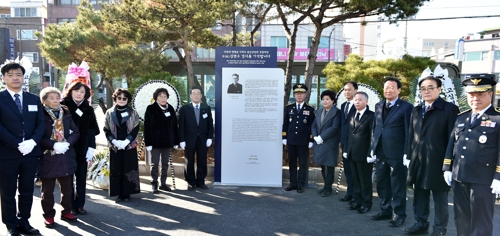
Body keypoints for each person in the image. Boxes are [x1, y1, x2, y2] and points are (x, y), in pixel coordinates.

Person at [442, 74, 500, 236]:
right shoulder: (462, 117)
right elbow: (451, 144)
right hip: (460, 177)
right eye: (471, 95)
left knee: (481, 221)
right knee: (461, 219)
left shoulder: (497, 118)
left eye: (480, 94)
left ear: (490, 94)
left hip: (483, 180)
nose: (475, 98)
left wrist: (498, 176)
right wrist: (447, 167)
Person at [405, 76, 458, 236]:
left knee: (440, 198)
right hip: (418, 160)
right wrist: (408, 156)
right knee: (419, 195)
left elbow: (453, 138)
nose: (426, 91)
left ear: (439, 89)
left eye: (430, 87)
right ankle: (421, 223)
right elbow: (411, 135)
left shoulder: (449, 109)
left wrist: (449, 164)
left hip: (439, 161)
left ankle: (439, 229)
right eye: (423, 88)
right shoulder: (416, 109)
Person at [0, 62, 45, 236]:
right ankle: (11, 224)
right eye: (10, 75)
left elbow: (41, 123)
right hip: (7, 152)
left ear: (23, 77)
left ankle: (24, 221)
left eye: (18, 74)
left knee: (27, 189)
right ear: (4, 78)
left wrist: (33, 142)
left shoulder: (33, 99)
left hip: (30, 153)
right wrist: (17, 143)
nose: (15, 77)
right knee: (8, 190)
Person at [370, 77, 412, 227]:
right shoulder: (378, 105)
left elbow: (409, 131)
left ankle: (399, 214)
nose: (388, 90)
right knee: (382, 183)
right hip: (380, 152)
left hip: (398, 153)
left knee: (398, 185)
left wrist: (407, 152)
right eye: (386, 87)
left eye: (392, 87)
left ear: (399, 90)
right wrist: (372, 148)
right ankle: (385, 209)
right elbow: (376, 128)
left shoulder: (406, 107)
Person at [39, 87, 81, 227]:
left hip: (65, 155)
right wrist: (53, 145)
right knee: (48, 190)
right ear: (44, 100)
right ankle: (49, 215)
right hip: (48, 156)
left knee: (68, 187)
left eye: (57, 98)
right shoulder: (40, 115)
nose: (55, 101)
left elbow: (75, 131)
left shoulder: (66, 113)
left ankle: (67, 211)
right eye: (51, 98)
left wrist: (67, 143)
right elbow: (37, 136)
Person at [61, 82, 100, 216]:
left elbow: (92, 129)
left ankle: (80, 205)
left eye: (82, 92)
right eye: (76, 90)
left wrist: (91, 147)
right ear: (71, 91)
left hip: (83, 149)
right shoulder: (63, 106)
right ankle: (70, 205)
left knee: (82, 179)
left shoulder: (88, 109)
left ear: (86, 94)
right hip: (66, 148)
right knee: (68, 181)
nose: (79, 94)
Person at [103, 88, 141, 202]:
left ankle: (127, 193)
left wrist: (127, 141)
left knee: (129, 168)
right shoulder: (109, 112)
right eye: (119, 98)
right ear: (115, 98)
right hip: (115, 146)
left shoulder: (133, 112)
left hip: (129, 145)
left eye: (125, 98)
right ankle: (118, 193)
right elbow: (106, 129)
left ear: (128, 100)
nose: (122, 100)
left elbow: (135, 128)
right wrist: (113, 141)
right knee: (117, 169)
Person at [343, 92, 375, 214]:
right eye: (355, 100)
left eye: (360, 100)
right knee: (355, 179)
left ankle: (366, 203)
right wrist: (346, 149)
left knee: (364, 180)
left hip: (364, 154)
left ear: (366, 101)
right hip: (351, 152)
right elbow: (347, 134)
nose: (357, 102)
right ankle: (357, 201)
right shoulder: (352, 114)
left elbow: (373, 136)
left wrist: (371, 153)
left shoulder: (371, 116)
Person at [144, 88, 179, 193]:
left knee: (165, 163)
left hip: (167, 142)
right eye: (160, 96)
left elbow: (174, 126)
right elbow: (147, 127)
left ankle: (163, 183)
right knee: (154, 164)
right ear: (156, 98)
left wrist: (176, 141)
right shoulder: (150, 109)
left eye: (165, 96)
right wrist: (148, 143)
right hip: (155, 142)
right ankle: (154, 183)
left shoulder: (170, 108)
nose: (163, 98)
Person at [178, 87, 214, 191]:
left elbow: (210, 125)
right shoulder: (185, 109)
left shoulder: (206, 108)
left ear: (201, 95)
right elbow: (181, 126)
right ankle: (190, 181)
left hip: (202, 139)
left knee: (202, 160)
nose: (196, 95)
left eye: (198, 93)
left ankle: (200, 181)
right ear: (190, 95)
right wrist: (182, 140)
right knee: (189, 161)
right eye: (194, 93)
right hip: (189, 139)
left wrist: (209, 137)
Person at [282, 84, 315, 193]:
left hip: (303, 141)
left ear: (305, 95)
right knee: (292, 163)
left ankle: (300, 184)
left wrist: (311, 140)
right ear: (294, 95)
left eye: (301, 93)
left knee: (302, 163)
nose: (299, 96)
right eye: (297, 93)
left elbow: (311, 126)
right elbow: (285, 123)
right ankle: (292, 183)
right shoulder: (289, 107)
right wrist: (284, 137)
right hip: (291, 140)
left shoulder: (310, 109)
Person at [311, 90, 340, 197]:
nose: (325, 101)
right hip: (319, 142)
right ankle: (325, 186)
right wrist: (315, 137)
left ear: (333, 100)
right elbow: (313, 125)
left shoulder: (337, 112)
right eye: (323, 99)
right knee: (323, 165)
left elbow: (335, 127)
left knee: (329, 166)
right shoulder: (319, 111)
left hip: (329, 143)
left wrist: (322, 137)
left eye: (327, 99)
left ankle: (328, 188)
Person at [339, 81, 358, 203]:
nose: (347, 92)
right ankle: (349, 193)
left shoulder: (358, 105)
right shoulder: (343, 106)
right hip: (344, 143)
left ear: (356, 90)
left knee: (355, 171)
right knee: (348, 171)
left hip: (355, 144)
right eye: (345, 90)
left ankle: (356, 195)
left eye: (349, 89)